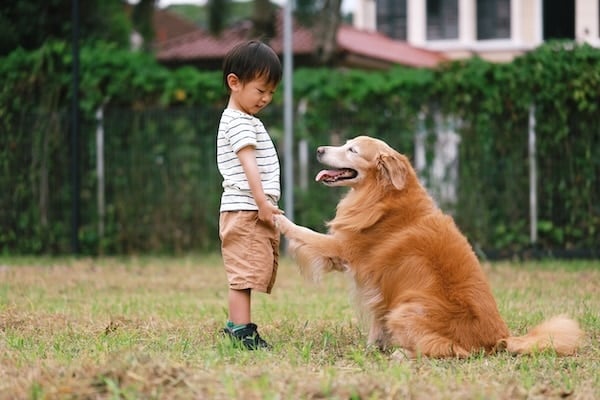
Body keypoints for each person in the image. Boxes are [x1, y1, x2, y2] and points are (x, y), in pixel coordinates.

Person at [216, 40, 283, 350]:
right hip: (246, 209)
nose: (266, 98)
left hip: (248, 207)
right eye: (260, 90)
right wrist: (262, 202)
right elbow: (248, 165)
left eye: (271, 92)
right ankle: (240, 331)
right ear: (235, 83)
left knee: (249, 271)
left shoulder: (243, 120)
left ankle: (237, 327)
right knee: (243, 276)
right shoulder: (240, 123)